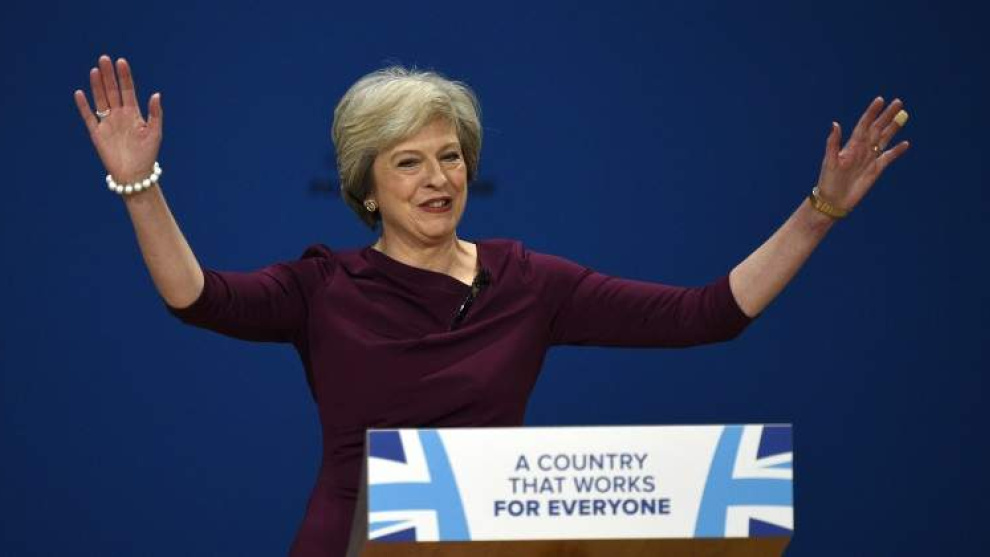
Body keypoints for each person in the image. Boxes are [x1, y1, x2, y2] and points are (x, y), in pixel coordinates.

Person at [73, 54, 909, 556]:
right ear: (367, 188)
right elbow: (196, 295)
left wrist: (820, 211)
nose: (437, 178)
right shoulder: (321, 288)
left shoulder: (528, 282)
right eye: (408, 162)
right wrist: (140, 185)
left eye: (450, 156)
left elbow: (707, 314)